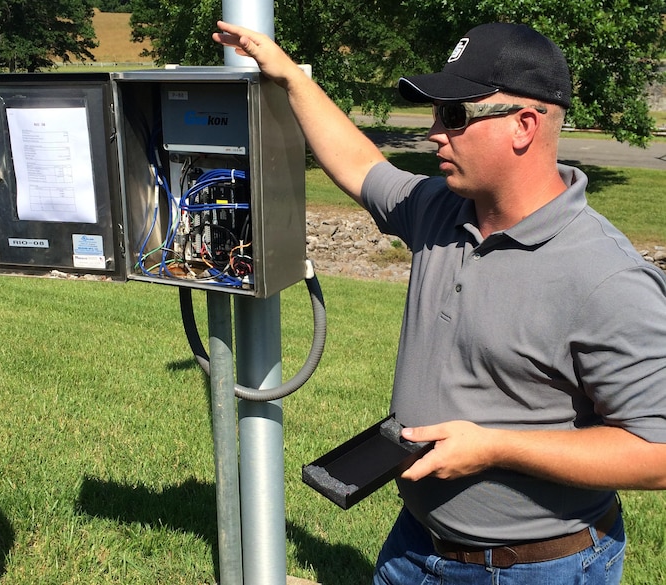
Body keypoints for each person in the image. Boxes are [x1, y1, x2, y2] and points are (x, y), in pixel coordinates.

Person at [213, 20, 666, 584]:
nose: (433, 132)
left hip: (534, 568)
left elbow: (656, 452)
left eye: (453, 115)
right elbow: (360, 165)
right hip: (415, 545)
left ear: (524, 125)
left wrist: (495, 448)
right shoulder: (439, 210)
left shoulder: (606, 277)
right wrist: (288, 77)